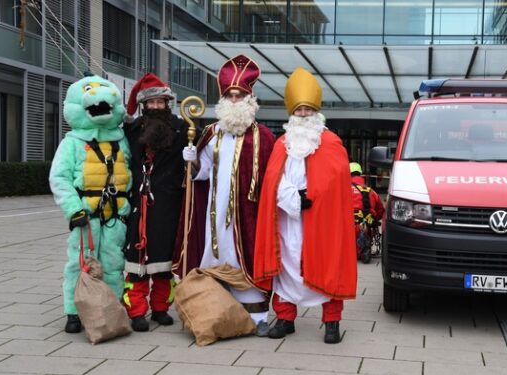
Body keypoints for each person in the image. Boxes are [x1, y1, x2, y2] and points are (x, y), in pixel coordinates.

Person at [253, 67, 357, 344]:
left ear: (316, 112)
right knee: (285, 266)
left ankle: (332, 322)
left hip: (322, 220)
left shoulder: (332, 142)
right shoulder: (281, 144)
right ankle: (285, 319)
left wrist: (316, 195)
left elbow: (336, 182)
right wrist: (292, 197)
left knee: (328, 263)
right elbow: (273, 179)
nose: (303, 115)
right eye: (298, 110)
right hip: (289, 218)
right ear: (291, 112)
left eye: (308, 110)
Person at [180, 55, 276, 336]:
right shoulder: (211, 133)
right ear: (223, 99)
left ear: (250, 98)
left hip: (250, 213)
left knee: (247, 258)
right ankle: (215, 311)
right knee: (218, 253)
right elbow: (203, 173)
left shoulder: (265, 136)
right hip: (216, 211)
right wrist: (193, 161)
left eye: (240, 95)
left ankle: (257, 319)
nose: (235, 99)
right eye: (230, 95)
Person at [49, 75, 130, 333]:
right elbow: (59, 178)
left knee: (114, 263)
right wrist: (74, 209)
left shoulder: (121, 140)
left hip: (116, 214)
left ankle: (111, 306)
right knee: (80, 262)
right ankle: (74, 311)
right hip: (85, 213)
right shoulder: (71, 143)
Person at [122, 73, 191, 332]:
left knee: (163, 260)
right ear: (144, 105)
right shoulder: (132, 129)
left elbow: (193, 168)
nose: (155, 107)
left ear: (167, 103)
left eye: (160, 102)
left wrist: (192, 158)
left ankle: (160, 308)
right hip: (138, 204)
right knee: (136, 259)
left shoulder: (182, 128)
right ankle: (137, 311)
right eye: (150, 103)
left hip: (168, 202)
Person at [350, 162, 385, 263]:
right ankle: (363, 249)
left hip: (345, 228)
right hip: (364, 227)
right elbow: (380, 211)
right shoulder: (370, 191)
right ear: (360, 174)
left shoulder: (340, 190)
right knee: (367, 224)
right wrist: (373, 220)